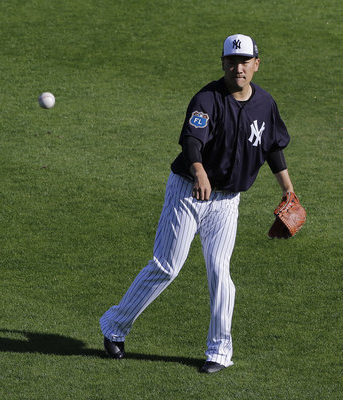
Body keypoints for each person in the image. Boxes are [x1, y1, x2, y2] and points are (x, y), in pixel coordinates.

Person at [100, 34, 298, 373]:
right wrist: (198, 171)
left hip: (227, 202)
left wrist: (288, 191)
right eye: (232, 61)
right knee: (167, 266)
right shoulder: (207, 99)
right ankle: (114, 325)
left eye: (245, 61)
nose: (238, 67)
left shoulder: (265, 104)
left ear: (256, 64)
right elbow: (192, 141)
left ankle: (219, 352)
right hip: (188, 192)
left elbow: (272, 148)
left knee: (220, 272)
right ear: (223, 63)